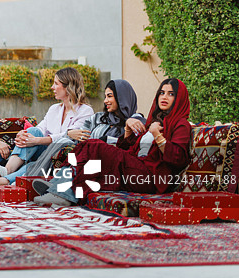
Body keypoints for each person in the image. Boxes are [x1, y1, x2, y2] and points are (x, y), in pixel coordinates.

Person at [34, 78, 191, 206]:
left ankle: (63, 192)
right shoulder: (154, 121)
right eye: (161, 93)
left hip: (152, 178)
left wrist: (157, 135)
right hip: (137, 169)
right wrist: (128, 134)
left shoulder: (180, 124)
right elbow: (134, 149)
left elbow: (178, 159)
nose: (164, 97)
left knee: (94, 145)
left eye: (171, 94)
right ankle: (58, 186)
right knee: (87, 146)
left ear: (179, 98)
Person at [0, 67, 94, 192]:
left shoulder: (85, 111)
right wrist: (25, 134)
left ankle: (1, 180)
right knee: (32, 132)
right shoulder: (54, 109)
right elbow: (40, 128)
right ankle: (7, 169)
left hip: (64, 153)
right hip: (46, 151)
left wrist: (37, 140)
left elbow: (70, 137)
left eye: (56, 84)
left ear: (68, 87)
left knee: (36, 162)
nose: (52, 87)